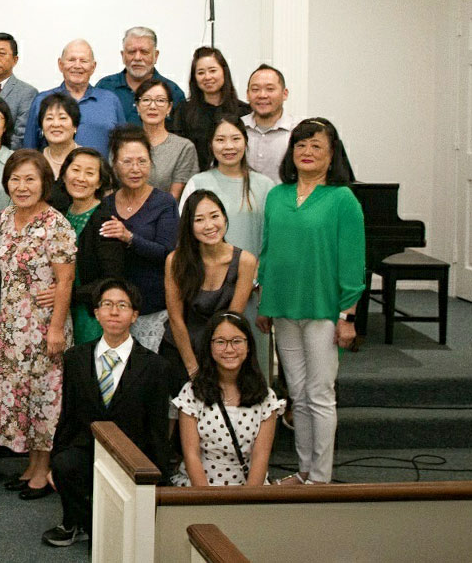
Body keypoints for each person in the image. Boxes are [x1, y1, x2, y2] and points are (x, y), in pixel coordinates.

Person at [257, 118, 363, 484]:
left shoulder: (342, 199)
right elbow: (268, 252)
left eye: (316, 146)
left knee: (320, 394)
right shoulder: (277, 195)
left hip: (324, 310)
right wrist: (266, 304)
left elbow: (353, 262)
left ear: (332, 155)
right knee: (298, 395)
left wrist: (348, 315)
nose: (307, 152)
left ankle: (321, 477)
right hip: (283, 309)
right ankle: (304, 472)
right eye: (300, 145)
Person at [42, 278, 171, 547]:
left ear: (134, 315)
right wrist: (54, 461)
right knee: (65, 465)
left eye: (122, 305)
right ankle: (84, 525)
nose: (114, 312)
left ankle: (102, 531)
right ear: (97, 313)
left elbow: (157, 427)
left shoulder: (155, 366)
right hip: (86, 446)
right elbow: (68, 415)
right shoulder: (75, 358)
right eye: (107, 304)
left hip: (131, 451)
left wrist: (161, 478)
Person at [0, 149, 75, 499]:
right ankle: (31, 464)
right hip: (12, 324)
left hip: (43, 324)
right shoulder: (6, 216)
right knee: (19, 393)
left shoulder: (56, 224)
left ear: (45, 184)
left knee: (44, 396)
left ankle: (44, 469)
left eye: (30, 179)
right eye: (15, 179)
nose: (22, 186)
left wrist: (55, 328)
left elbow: (65, 281)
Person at [172, 313, 284, 487]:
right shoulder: (192, 392)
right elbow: (191, 454)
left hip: (248, 489)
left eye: (237, 341)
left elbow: (260, 457)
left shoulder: (266, 397)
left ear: (248, 346)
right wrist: (207, 499)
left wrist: (248, 499)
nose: (229, 349)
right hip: (199, 490)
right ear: (209, 347)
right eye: (220, 342)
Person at [162, 191, 257, 386]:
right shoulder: (175, 261)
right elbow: (175, 318)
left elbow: (232, 321)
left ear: (224, 217)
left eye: (214, 216)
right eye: (199, 219)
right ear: (189, 225)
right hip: (180, 349)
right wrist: (193, 369)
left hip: (223, 349)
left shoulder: (245, 261)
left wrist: (213, 367)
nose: (209, 225)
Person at [100, 127, 180, 352]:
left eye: (142, 161)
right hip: (114, 309)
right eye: (127, 162)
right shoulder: (106, 204)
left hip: (153, 307)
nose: (135, 169)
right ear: (114, 164)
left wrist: (129, 237)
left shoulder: (164, 202)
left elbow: (167, 253)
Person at [180, 116, 275, 256]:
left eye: (236, 139)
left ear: (245, 142)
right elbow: (185, 233)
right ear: (211, 144)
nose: (229, 146)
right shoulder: (197, 183)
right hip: (206, 267)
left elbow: (273, 236)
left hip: (254, 267)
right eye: (220, 140)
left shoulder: (266, 185)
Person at [22, 39, 126, 152]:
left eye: (83, 61)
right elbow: (29, 149)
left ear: (93, 67)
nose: (77, 65)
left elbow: (124, 146)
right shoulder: (43, 100)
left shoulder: (110, 100)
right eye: (71, 60)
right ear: (60, 64)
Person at [60, 148, 114, 347]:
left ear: (99, 182)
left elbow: (111, 279)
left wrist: (66, 295)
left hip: (89, 315)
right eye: (75, 170)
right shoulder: (60, 212)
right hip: (59, 310)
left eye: (90, 173)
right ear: (64, 175)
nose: (81, 178)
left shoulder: (105, 220)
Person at [173, 46, 249, 170]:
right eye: (201, 72)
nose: (207, 77)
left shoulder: (243, 111)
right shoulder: (183, 111)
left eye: (213, 70)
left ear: (224, 72)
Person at [96, 27, 186, 124]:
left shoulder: (173, 92)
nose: (137, 58)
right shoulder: (105, 87)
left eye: (144, 52)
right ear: (123, 55)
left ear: (156, 56)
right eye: (131, 52)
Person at [134, 77, 199, 197]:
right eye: (146, 100)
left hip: (166, 209)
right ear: (137, 106)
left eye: (160, 100)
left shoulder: (183, 148)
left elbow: (175, 197)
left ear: (169, 107)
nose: (152, 106)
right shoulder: (123, 144)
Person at [0, 32, 37, 149]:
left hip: (10, 156)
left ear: (15, 60)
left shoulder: (27, 93)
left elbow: (21, 136)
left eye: (2, 54)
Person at [243, 64, 298, 181]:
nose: (262, 95)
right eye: (255, 89)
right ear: (247, 94)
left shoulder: (297, 131)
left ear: (285, 94)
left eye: (270, 89)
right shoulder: (236, 128)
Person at [35, 92, 80, 180]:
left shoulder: (89, 160)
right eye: (49, 118)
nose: (55, 124)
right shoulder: (34, 161)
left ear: (75, 126)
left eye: (62, 118)